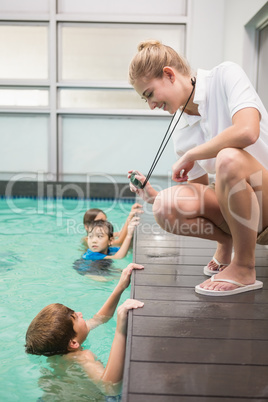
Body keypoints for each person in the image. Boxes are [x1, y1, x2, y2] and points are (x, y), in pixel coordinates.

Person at [128, 39, 268, 296]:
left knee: (228, 158)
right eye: (144, 99)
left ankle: (244, 267)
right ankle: (227, 243)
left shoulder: (225, 75)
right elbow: (202, 198)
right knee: (166, 207)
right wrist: (154, 197)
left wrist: (193, 153)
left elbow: (248, 131)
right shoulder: (180, 131)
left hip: (266, 198)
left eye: (149, 94)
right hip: (244, 212)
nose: (151, 105)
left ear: (169, 75)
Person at [25, 263, 144, 399]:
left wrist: (120, 286)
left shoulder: (55, 355)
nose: (80, 313)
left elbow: (99, 319)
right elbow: (109, 388)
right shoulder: (82, 356)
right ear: (73, 343)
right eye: (76, 317)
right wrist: (120, 328)